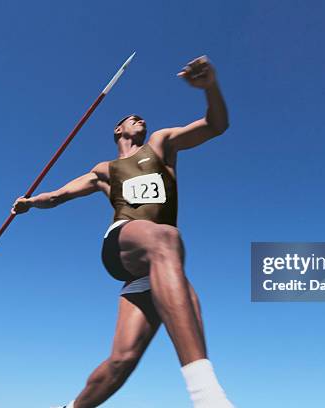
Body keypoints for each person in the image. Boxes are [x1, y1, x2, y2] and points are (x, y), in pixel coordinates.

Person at [12, 56, 233, 408]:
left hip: (159, 266)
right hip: (125, 244)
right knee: (166, 238)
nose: (141, 119)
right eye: (133, 118)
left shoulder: (162, 144)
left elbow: (215, 125)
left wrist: (211, 88)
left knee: (122, 361)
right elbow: (58, 196)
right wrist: (29, 202)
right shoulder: (105, 169)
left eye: (142, 118)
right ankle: (208, 397)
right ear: (118, 130)